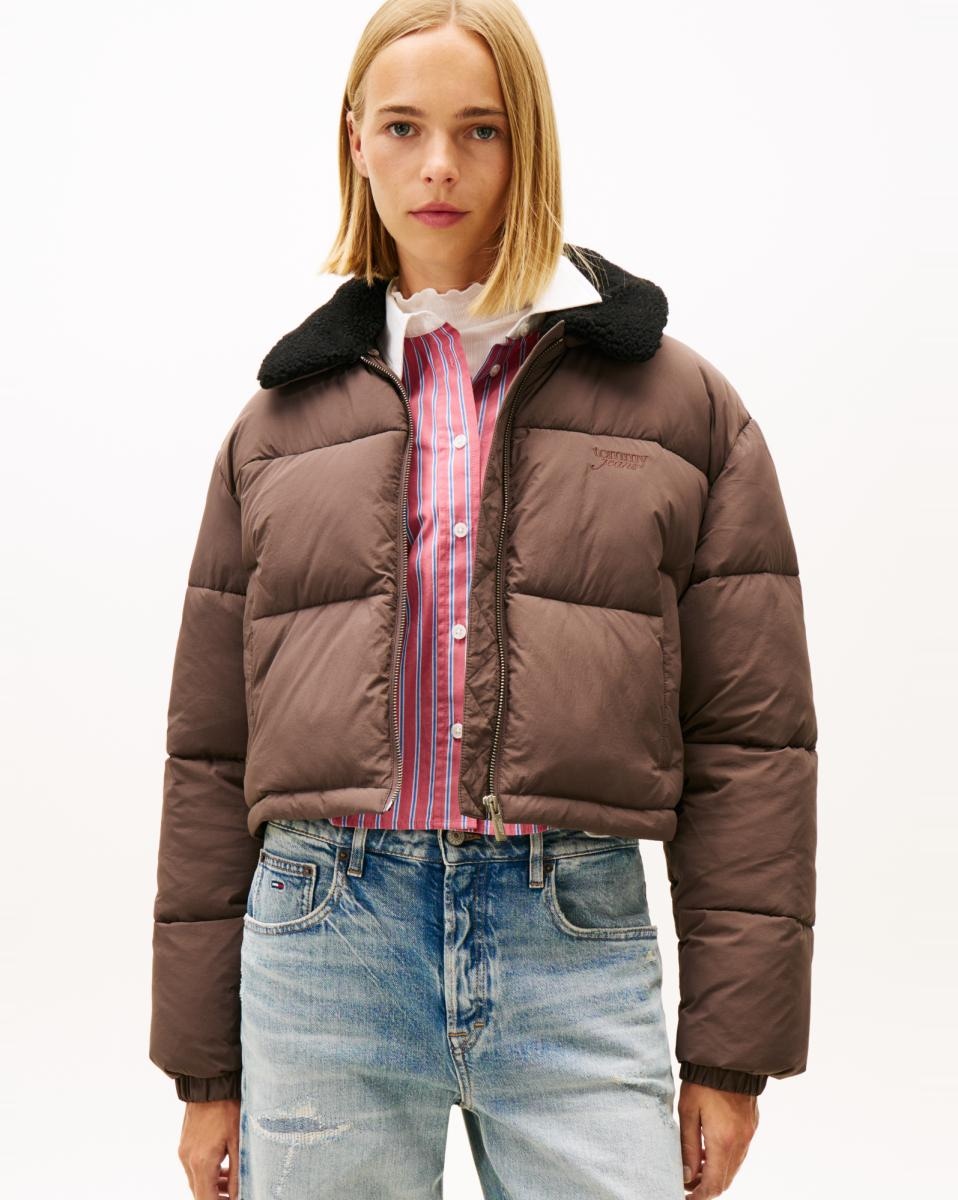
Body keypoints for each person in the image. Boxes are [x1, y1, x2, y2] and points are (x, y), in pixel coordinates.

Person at [149, 2, 818, 1198]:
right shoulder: (278, 428)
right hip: (323, 943)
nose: (440, 167)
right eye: (403, 127)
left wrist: (733, 1055)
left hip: (574, 937)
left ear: (529, 144)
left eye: (481, 129)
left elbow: (750, 743)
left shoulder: (683, 412)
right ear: (356, 139)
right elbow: (209, 754)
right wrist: (205, 1070)